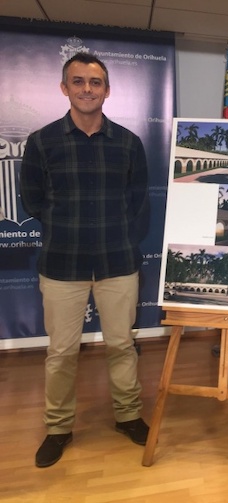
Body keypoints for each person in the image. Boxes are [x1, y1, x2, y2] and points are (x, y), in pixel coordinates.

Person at [20, 53, 150, 468]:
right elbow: (32, 199)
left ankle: (128, 417)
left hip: (118, 262)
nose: (87, 89)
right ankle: (58, 428)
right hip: (63, 262)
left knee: (122, 345)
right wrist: (65, 223)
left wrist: (122, 236)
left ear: (107, 90)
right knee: (61, 352)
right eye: (78, 81)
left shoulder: (128, 143)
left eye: (95, 83)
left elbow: (139, 201)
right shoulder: (42, 141)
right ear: (65, 88)